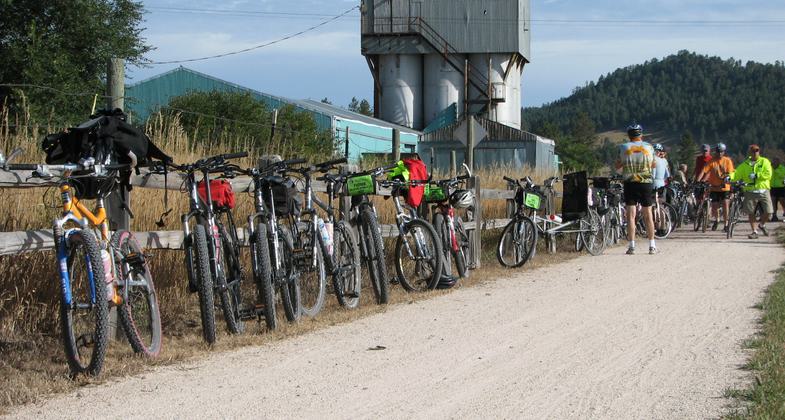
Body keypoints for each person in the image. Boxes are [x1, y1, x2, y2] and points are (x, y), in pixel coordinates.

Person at [615, 123, 657, 255]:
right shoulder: (649, 147)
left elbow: (617, 166)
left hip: (630, 183)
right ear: (641, 134)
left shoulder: (623, 147)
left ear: (629, 135)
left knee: (631, 216)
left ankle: (631, 246)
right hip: (646, 182)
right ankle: (652, 245)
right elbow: (654, 164)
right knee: (648, 214)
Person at [731, 144, 773, 239]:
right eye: (753, 151)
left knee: (769, 211)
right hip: (750, 191)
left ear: (759, 151)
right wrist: (730, 177)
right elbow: (736, 174)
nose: (755, 152)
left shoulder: (765, 161)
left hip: (763, 190)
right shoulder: (745, 164)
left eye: (757, 150)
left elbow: (768, 174)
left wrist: (757, 175)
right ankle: (754, 231)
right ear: (749, 152)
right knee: (751, 212)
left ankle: (762, 225)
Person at [698, 143, 734, 232]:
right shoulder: (712, 161)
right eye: (718, 151)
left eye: (721, 152)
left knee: (725, 204)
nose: (719, 153)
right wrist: (698, 181)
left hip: (724, 187)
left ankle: (726, 223)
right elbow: (704, 170)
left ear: (724, 152)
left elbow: (730, 173)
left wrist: (728, 178)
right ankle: (717, 219)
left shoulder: (727, 161)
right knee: (714, 206)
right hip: (714, 187)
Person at [769, 157, 785, 222]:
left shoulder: (782, 168)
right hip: (772, 187)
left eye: (775, 162)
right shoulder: (770, 168)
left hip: (781, 187)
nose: (774, 163)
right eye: (773, 162)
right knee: (773, 201)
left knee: (782, 200)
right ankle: (774, 215)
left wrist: (775, 170)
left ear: (778, 162)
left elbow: (782, 175)